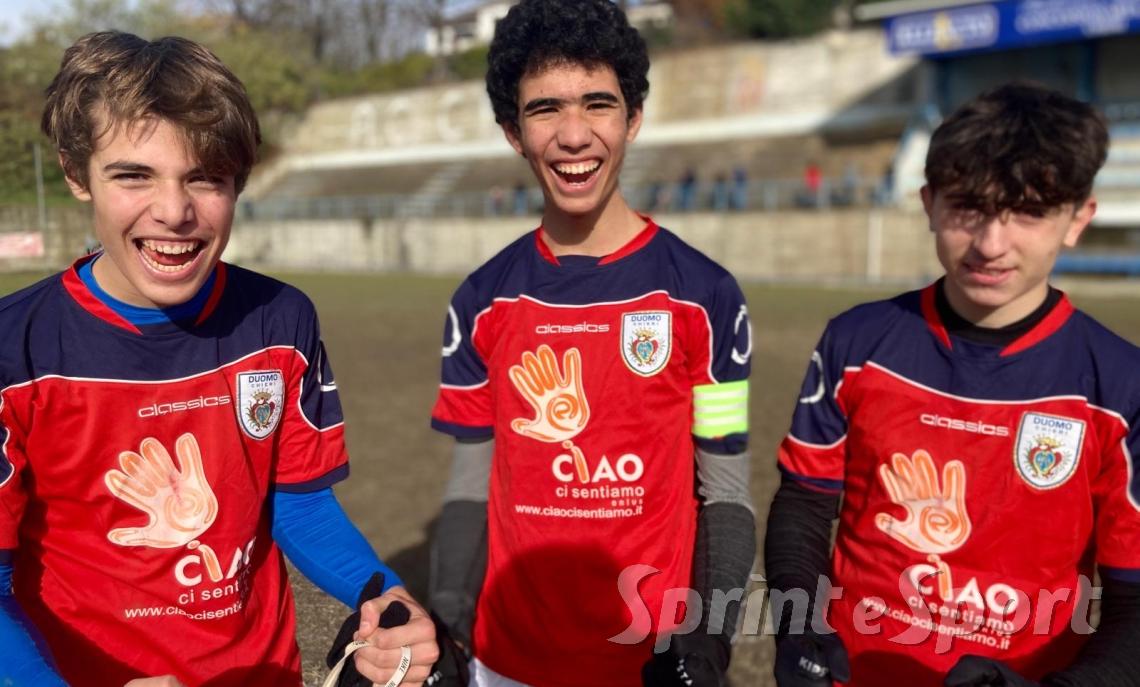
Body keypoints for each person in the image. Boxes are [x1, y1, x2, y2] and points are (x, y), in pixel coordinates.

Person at [0, 31, 437, 687]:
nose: (174, 211)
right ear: (74, 170)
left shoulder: (281, 319)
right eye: (134, 175)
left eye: (204, 177)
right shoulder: (16, 349)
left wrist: (388, 595)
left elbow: (300, 506)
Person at [765, 82, 1140, 687]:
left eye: (1029, 212)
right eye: (968, 206)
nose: (991, 244)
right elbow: (806, 508)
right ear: (929, 203)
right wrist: (798, 625)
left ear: (1078, 221)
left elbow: (1134, 603)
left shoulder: (1121, 387)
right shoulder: (856, 344)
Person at [427, 1, 756, 686]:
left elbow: (725, 489)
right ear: (513, 132)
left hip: (650, 661)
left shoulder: (707, 296)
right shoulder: (482, 302)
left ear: (632, 119)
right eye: (545, 109)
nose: (573, 135)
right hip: (507, 661)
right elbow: (469, 486)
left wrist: (708, 641)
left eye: (597, 104)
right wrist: (450, 625)